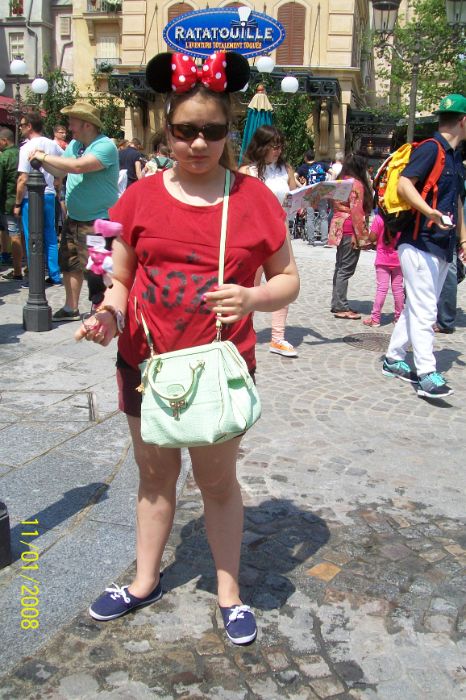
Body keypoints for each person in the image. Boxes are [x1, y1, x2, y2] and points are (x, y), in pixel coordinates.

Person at [73, 50, 300, 645]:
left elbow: (288, 279)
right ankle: (144, 581)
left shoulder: (253, 199)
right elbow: (119, 277)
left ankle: (229, 592)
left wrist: (252, 298)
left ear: (229, 131)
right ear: (166, 129)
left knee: (217, 482)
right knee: (154, 478)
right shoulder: (139, 198)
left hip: (219, 366)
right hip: (144, 365)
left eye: (212, 131)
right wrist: (106, 315)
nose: (199, 143)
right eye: (184, 131)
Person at [383, 93, 466, 399]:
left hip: (442, 245)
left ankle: (393, 358)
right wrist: (429, 212)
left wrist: (463, 240)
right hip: (419, 242)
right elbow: (405, 184)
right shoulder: (431, 148)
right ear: (463, 121)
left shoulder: (455, 156)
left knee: (417, 306)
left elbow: (457, 202)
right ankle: (426, 373)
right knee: (426, 308)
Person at [29, 101, 119, 320]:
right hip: (75, 217)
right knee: (69, 263)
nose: (69, 127)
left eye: (72, 122)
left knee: (97, 269)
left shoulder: (105, 146)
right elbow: (61, 170)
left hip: (98, 221)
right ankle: (71, 308)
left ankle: (101, 308)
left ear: (87, 124)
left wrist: (44, 157)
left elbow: (78, 167)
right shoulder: (75, 146)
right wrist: (41, 161)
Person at [239, 125, 299, 357]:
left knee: (282, 283)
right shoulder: (247, 171)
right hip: (253, 233)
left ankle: (278, 338)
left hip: (280, 231)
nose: (277, 150)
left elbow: (293, 196)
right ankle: (242, 332)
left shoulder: (286, 169)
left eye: (280, 146)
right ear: (261, 146)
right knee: (250, 285)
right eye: (273, 146)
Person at [15, 112, 63, 287]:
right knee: (50, 235)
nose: (20, 128)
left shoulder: (26, 147)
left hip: (31, 196)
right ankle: (55, 275)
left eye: (22, 125)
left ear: (29, 126)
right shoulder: (53, 145)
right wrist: (58, 183)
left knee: (32, 237)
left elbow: (23, 179)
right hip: (49, 193)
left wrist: (17, 203)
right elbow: (63, 165)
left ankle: (35, 276)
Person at [328, 153, 373, 319]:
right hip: (350, 228)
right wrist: (363, 237)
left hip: (339, 225)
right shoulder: (356, 184)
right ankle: (340, 305)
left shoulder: (340, 182)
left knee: (340, 266)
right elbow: (357, 211)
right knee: (346, 269)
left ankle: (337, 302)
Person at [362, 211, 404, 327]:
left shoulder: (380, 218)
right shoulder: (402, 218)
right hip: (399, 259)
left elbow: (372, 237)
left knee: (381, 289)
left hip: (383, 259)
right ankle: (399, 318)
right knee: (398, 289)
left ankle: (375, 319)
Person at [0, 128, 22, 280]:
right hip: (20, 200)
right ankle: (23, 268)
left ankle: (17, 271)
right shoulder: (21, 153)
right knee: (20, 235)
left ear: (4, 141)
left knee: (14, 236)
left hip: (7, 202)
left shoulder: (5, 157)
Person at [296, 149, 330, 245]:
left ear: (305, 158)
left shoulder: (304, 167)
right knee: (323, 216)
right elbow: (333, 172)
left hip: (310, 192)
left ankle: (311, 240)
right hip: (321, 191)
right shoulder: (322, 165)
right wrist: (328, 184)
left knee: (310, 217)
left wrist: (302, 187)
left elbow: (294, 176)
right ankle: (324, 240)